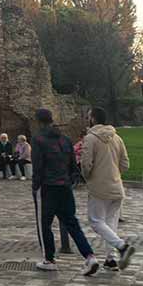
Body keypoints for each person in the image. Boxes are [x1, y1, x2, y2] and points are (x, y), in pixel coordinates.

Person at [31, 108, 99, 275]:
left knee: (44, 225)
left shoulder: (38, 139)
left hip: (47, 187)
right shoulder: (65, 139)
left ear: (39, 121)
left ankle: (49, 259)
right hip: (65, 186)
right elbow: (72, 164)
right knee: (71, 223)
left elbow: (38, 166)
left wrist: (35, 186)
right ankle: (89, 256)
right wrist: (71, 179)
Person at [81, 107, 136, 271]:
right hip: (116, 186)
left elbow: (86, 164)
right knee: (110, 223)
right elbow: (125, 163)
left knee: (96, 221)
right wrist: (114, 174)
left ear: (93, 119)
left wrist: (88, 177)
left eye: (88, 116)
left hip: (99, 187)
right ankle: (110, 260)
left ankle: (122, 247)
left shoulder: (90, 138)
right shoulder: (117, 137)